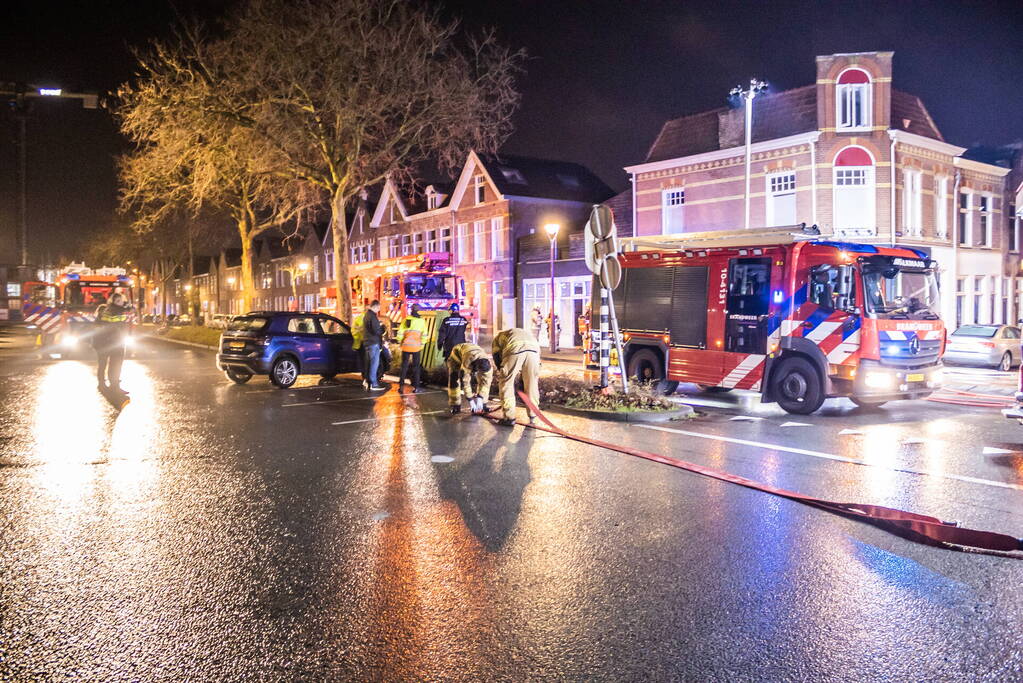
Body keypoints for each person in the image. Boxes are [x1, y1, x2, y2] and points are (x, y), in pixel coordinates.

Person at [492, 327, 541, 426]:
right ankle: (533, 415)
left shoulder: (497, 339)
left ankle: (509, 418)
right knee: (531, 383)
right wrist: (523, 379)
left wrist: (503, 372)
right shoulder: (523, 333)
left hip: (515, 349)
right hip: (534, 351)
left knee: (506, 383)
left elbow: (497, 356)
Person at [93, 288, 133, 395]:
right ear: (113, 302)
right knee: (103, 364)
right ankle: (102, 384)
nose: (121, 303)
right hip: (106, 342)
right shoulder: (109, 311)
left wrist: (128, 298)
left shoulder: (122, 310)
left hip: (118, 342)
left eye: (121, 300)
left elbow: (130, 311)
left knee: (116, 365)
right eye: (118, 301)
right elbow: (111, 322)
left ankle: (115, 386)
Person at [446, 342, 493, 414]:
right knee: (454, 380)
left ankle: (483, 405)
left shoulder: (488, 366)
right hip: (456, 356)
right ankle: (455, 405)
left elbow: (486, 383)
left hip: (472, 352)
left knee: (484, 381)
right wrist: (471, 400)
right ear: (475, 367)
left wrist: (480, 397)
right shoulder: (467, 362)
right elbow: (465, 381)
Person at [397, 304, 428, 392]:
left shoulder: (406, 320)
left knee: (404, 367)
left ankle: (401, 386)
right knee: (416, 367)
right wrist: (422, 345)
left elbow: (400, 334)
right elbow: (424, 335)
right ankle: (416, 387)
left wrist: (401, 342)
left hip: (406, 347)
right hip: (416, 348)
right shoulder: (421, 321)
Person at [363, 300, 386, 391]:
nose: (379, 309)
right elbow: (376, 331)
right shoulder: (372, 316)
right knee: (374, 364)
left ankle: (367, 381)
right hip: (373, 342)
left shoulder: (366, 315)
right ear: (375, 307)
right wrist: (382, 329)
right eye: (379, 308)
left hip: (368, 342)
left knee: (369, 363)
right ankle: (374, 384)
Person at [351, 306, 367, 387]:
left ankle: (364, 378)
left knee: (363, 363)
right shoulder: (369, 318)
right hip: (366, 343)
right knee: (367, 362)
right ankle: (366, 379)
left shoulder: (358, 318)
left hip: (359, 343)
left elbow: (353, 331)